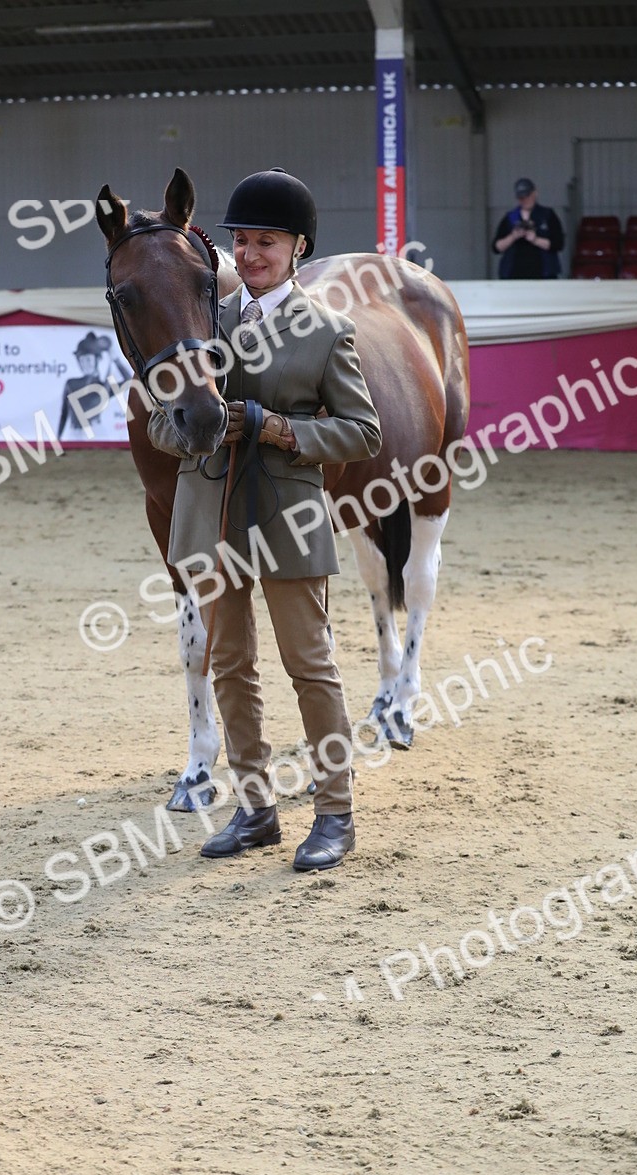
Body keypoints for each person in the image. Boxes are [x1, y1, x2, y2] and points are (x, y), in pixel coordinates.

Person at [148, 167, 382, 871]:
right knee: (230, 665)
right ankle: (255, 810)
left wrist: (277, 427)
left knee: (310, 666)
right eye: (242, 241)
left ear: (297, 249)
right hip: (209, 511)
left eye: (266, 243)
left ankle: (335, 814)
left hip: (286, 513)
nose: (249, 255)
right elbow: (160, 422)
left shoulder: (327, 331)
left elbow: (362, 434)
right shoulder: (203, 317)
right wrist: (196, 431)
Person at [492, 177, 565, 279]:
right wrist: (513, 236)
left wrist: (535, 240)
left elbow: (559, 244)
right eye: (521, 198)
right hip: (514, 275)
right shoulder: (511, 217)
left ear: (535, 193)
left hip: (544, 275)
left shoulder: (547, 215)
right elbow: (496, 247)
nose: (525, 200)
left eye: (528, 196)